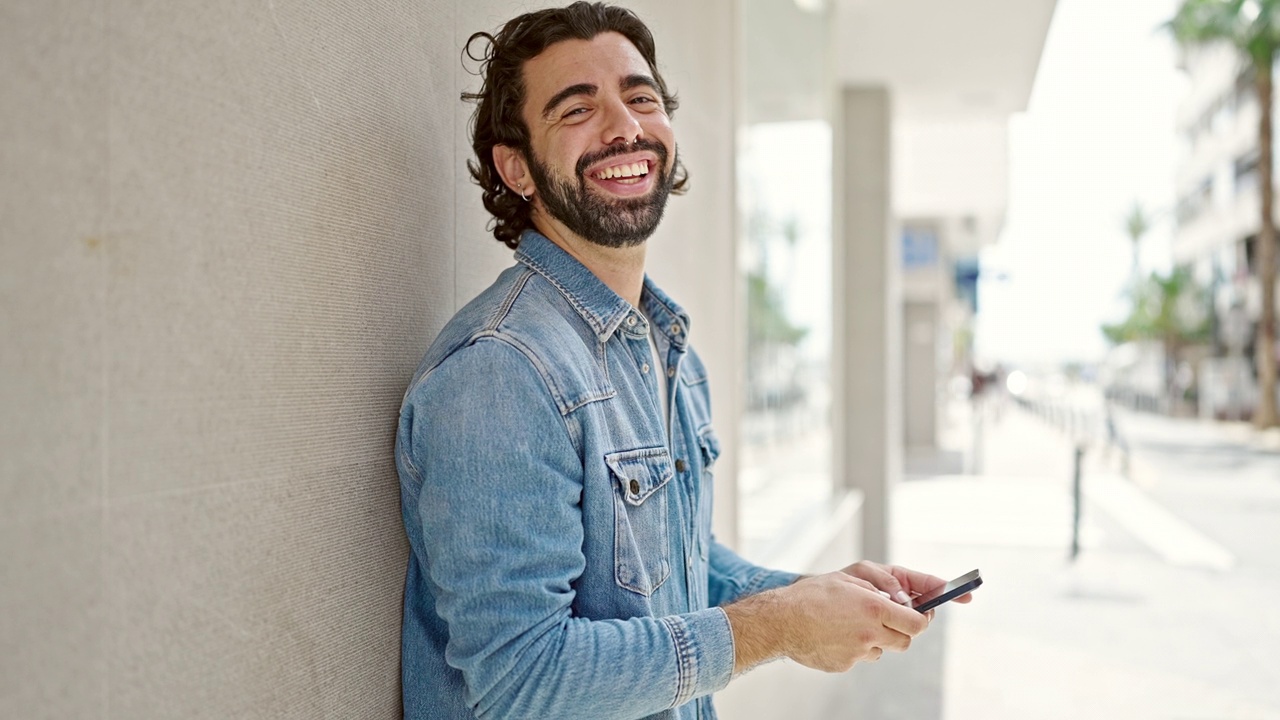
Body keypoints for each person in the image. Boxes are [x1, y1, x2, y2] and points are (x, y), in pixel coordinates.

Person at [394, 3, 968, 718]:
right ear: (519, 170)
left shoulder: (666, 353)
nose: (625, 127)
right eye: (578, 109)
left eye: (641, 98)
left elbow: (679, 567)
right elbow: (521, 680)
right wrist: (782, 626)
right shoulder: (502, 373)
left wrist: (816, 598)